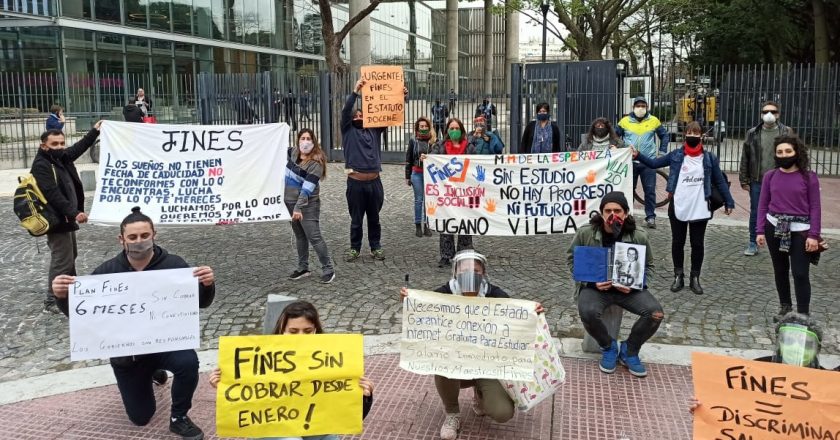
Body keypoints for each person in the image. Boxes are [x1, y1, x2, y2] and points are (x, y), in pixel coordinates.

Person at [51, 207, 216, 440]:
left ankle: (179, 417)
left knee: (188, 361)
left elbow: (201, 303)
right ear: (122, 239)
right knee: (141, 417)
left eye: (144, 236)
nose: (140, 241)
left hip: (165, 344)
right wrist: (62, 296)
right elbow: (83, 315)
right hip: (128, 356)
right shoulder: (107, 272)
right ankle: (150, 374)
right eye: (133, 237)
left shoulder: (175, 265)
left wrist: (207, 285)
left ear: (154, 235)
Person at [399, 250, 544, 440]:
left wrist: (534, 312)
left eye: (475, 271)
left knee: (503, 413)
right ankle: (452, 414)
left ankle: (480, 394)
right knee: (440, 362)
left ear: (483, 274)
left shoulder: (494, 294)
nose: (469, 275)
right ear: (455, 273)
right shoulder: (444, 294)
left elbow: (517, 318)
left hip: (488, 366)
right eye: (464, 270)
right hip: (454, 363)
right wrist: (410, 302)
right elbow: (423, 310)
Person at [209, 300, 374, 440]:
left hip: (313, 423)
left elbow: (346, 417)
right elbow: (245, 399)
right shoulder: (259, 358)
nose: (300, 337)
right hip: (272, 424)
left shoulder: (333, 359)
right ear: (282, 330)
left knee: (330, 437)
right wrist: (225, 386)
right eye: (293, 331)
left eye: (308, 331)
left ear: (316, 330)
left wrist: (364, 397)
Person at [567, 192, 663, 377]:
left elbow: (649, 266)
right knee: (587, 311)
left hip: (628, 290)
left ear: (626, 213)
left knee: (655, 313)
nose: (613, 214)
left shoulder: (638, 236)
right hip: (596, 288)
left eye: (617, 210)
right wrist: (590, 282)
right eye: (608, 210)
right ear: (601, 213)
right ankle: (608, 346)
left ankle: (630, 350)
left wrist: (636, 285)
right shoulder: (586, 232)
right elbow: (572, 260)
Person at [633, 121, 735, 295]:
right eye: (689, 132)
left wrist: (729, 201)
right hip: (678, 204)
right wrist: (638, 155)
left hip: (700, 206)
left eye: (696, 132)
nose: (692, 135)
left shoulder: (709, 158)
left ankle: (695, 277)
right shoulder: (676, 155)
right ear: (684, 135)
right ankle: (678, 275)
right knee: (677, 242)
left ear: (702, 135)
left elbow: (719, 180)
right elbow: (654, 163)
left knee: (697, 243)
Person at [689, 312, 838, 414]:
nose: (796, 348)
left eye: (805, 344)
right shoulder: (752, 375)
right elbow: (728, 413)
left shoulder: (830, 386)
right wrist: (704, 408)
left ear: (817, 349)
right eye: (789, 341)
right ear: (779, 343)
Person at [34, 123, 102, 314]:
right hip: (55, 220)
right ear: (44, 146)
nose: (60, 147)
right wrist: (74, 213)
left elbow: (78, 148)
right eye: (54, 144)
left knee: (71, 255)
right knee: (62, 259)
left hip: (65, 218)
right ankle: (52, 300)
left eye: (62, 143)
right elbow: (52, 193)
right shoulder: (42, 165)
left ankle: (71, 290)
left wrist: (95, 131)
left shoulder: (60, 158)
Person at [755, 134, 821, 321]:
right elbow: (762, 204)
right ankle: (785, 306)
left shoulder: (809, 178)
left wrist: (814, 235)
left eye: (788, 151)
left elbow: (816, 207)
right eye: (780, 152)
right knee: (780, 269)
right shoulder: (770, 176)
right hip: (774, 227)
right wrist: (759, 230)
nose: (784, 155)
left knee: (800, 272)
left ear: (796, 152)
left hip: (801, 230)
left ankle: (802, 313)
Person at [342, 77, 407, 262]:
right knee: (356, 220)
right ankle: (355, 248)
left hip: (375, 183)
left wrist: (400, 97)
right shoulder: (347, 130)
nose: (358, 116)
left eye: (361, 114)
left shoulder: (375, 130)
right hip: (356, 183)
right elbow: (346, 111)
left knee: (374, 218)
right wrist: (356, 92)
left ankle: (375, 246)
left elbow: (389, 113)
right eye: (356, 115)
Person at [739, 101, 794, 256]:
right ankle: (752, 242)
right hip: (757, 180)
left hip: (781, 180)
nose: (769, 114)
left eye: (773, 111)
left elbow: (794, 154)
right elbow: (746, 157)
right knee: (756, 211)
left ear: (778, 114)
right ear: (761, 114)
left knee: (783, 211)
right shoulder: (753, 133)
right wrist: (744, 179)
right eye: (765, 111)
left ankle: (782, 241)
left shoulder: (786, 132)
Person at [285, 129, 335, 284]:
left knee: (314, 236)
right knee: (300, 236)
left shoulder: (316, 163)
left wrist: (298, 208)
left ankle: (328, 269)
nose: (305, 141)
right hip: (290, 202)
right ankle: (303, 268)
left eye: (308, 139)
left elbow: (307, 188)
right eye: (302, 138)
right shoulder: (292, 153)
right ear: (298, 140)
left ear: (313, 142)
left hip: (306, 205)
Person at [616, 96, 670, 229]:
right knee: (628, 191)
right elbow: (615, 136)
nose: (641, 108)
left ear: (647, 107)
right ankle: (627, 216)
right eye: (638, 106)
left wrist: (662, 152)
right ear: (633, 107)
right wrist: (619, 148)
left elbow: (664, 136)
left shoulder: (654, 120)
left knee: (650, 190)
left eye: (643, 106)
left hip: (648, 162)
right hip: (629, 161)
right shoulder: (624, 121)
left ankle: (650, 217)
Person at [429, 118, 474, 268]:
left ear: (461, 130)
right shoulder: (440, 146)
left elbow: (477, 164)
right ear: (447, 130)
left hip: (464, 192)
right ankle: (446, 255)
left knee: (465, 222)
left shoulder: (469, 147)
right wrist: (426, 158)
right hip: (446, 192)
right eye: (451, 128)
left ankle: (464, 253)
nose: (454, 131)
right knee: (446, 221)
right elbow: (432, 159)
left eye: (456, 128)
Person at [405, 117, 436, 238]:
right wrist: (407, 176)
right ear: (417, 128)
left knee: (428, 200)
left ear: (429, 127)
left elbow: (438, 155)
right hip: (416, 173)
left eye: (425, 126)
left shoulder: (433, 140)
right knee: (419, 200)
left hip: (430, 174)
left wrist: (429, 157)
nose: (423, 128)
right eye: (421, 126)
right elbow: (408, 159)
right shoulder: (413, 140)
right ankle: (418, 225)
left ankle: (427, 224)